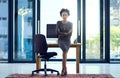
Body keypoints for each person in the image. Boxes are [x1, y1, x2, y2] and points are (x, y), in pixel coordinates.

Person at [56, 8, 73, 76]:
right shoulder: (58, 23)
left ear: (68, 15)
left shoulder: (70, 23)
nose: (64, 16)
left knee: (64, 55)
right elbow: (57, 32)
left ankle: (64, 69)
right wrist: (66, 33)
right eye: (63, 15)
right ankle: (64, 69)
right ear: (61, 15)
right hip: (61, 40)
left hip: (67, 40)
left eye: (66, 15)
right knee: (65, 53)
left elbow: (70, 34)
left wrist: (62, 33)